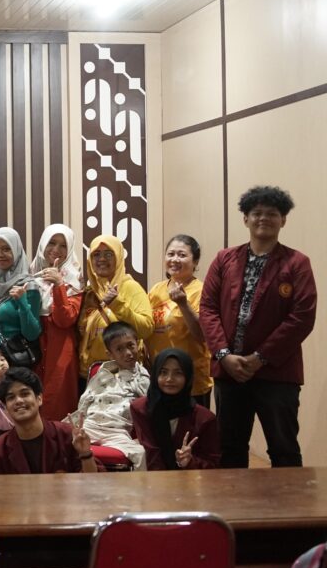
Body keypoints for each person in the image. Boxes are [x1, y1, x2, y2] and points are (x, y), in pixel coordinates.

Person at [200, 185, 317, 468]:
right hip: (229, 371)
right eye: (257, 213)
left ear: (283, 220)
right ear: (246, 219)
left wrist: (260, 357)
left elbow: (302, 317)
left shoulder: (297, 263)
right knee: (229, 448)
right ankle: (233, 499)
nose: (263, 218)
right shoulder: (224, 259)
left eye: (272, 213)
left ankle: (289, 499)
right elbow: (208, 308)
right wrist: (224, 355)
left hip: (277, 372)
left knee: (283, 448)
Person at [67, 322, 149, 470]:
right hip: (90, 425)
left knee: (141, 453)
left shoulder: (142, 378)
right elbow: (85, 400)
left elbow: (148, 410)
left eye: (130, 345)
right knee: (56, 438)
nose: (128, 353)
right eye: (119, 349)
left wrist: (141, 438)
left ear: (138, 344)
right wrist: (79, 424)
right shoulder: (102, 374)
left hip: (116, 431)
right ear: (110, 354)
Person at [0, 367, 98, 474]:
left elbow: (94, 482)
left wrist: (85, 454)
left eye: (24, 394)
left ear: (39, 399)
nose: (18, 401)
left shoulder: (67, 435)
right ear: (5, 408)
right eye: (11, 397)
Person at [77, 234, 154, 384]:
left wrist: (117, 304)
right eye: (96, 254)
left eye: (109, 254)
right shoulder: (89, 293)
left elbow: (146, 329)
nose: (102, 259)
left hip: (123, 375)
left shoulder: (130, 287)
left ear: (118, 257)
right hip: (89, 376)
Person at [148, 235, 213, 406]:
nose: (175, 259)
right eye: (171, 254)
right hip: (160, 377)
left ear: (195, 261)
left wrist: (183, 304)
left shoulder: (202, 291)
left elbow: (202, 334)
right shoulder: (156, 290)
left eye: (182, 255)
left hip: (192, 380)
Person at [130, 349, 220, 470]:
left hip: (191, 479)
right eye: (163, 372)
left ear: (188, 377)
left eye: (178, 373)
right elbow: (151, 451)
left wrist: (190, 462)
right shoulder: (140, 408)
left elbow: (213, 464)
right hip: (152, 477)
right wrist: (165, 481)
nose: (169, 379)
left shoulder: (205, 419)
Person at [28, 224, 83, 421]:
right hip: (33, 351)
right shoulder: (30, 275)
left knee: (57, 409)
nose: (56, 249)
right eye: (51, 242)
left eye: (63, 245)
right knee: (31, 407)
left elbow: (65, 319)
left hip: (60, 353)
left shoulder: (74, 281)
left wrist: (59, 284)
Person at [0, 228, 42, 356]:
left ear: (16, 250)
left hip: (13, 356)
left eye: (6, 249)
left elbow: (32, 334)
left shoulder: (29, 286)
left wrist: (22, 302)